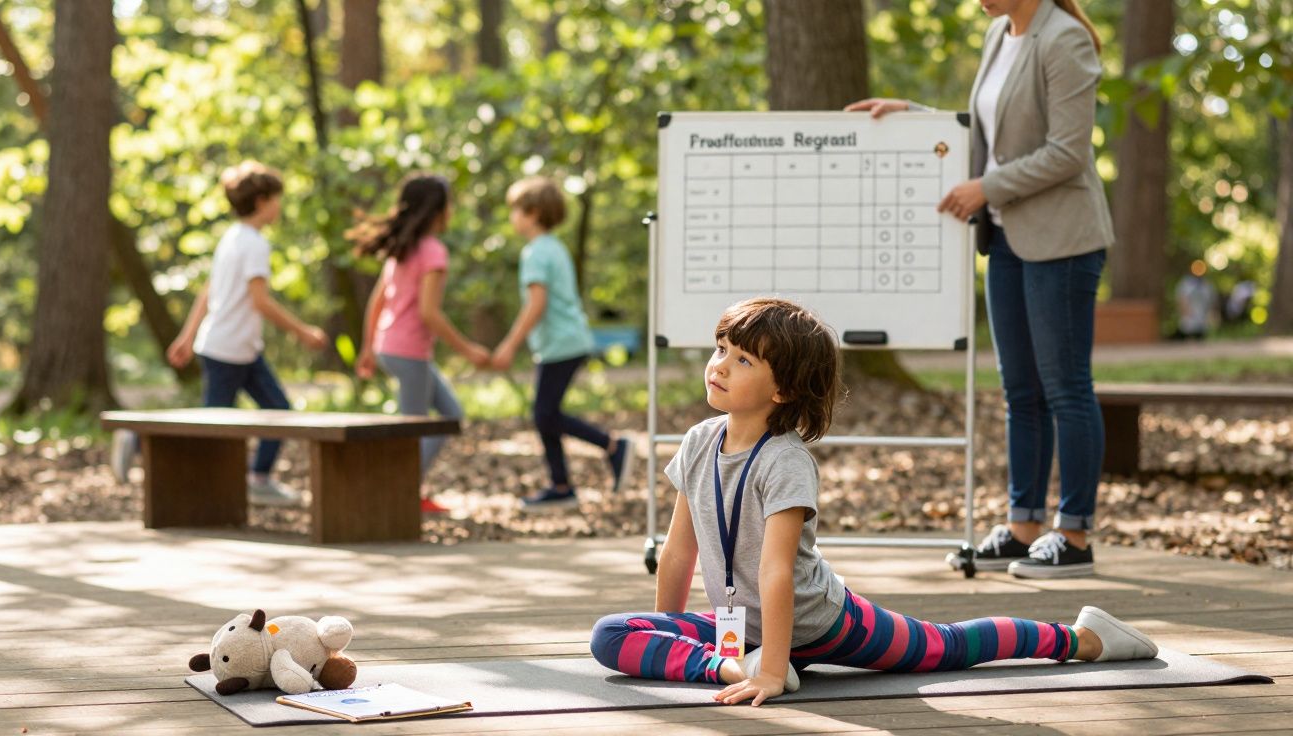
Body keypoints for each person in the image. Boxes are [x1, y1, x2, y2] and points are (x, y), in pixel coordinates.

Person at [589, 298, 1157, 705]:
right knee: (609, 635)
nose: (719, 364)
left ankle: (1082, 638)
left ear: (782, 389)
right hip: (744, 632)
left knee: (948, 648)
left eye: (743, 360)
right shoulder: (697, 442)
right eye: (721, 349)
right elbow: (678, 552)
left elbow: (778, 571)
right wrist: (671, 627)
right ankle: (732, 666)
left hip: (822, 620)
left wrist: (771, 673)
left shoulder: (785, 460)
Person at [847, 0, 1112, 578]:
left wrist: (985, 187)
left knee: (1065, 388)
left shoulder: (1063, 39)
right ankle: (1024, 527)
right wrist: (914, 114)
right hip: (1009, 238)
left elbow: (1068, 152)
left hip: (1062, 239)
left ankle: (1075, 534)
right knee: (1020, 391)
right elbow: (988, 136)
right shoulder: (1000, 34)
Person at [166, 160, 328, 506]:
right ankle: (139, 445)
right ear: (261, 202)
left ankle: (258, 478)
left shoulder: (231, 238)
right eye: (275, 200)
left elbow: (210, 290)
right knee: (215, 426)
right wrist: (303, 332)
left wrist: (188, 336)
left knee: (277, 411)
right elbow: (260, 301)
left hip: (238, 347)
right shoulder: (253, 243)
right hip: (229, 348)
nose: (279, 207)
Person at [488, 176, 632, 511]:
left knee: (545, 414)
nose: (513, 217)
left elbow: (536, 303)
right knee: (545, 414)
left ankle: (612, 446)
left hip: (561, 343)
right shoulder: (554, 247)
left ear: (533, 213)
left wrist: (509, 345)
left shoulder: (536, 253)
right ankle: (561, 484)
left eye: (516, 210)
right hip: (566, 341)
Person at [350, 174, 490, 515]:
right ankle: (398, 492)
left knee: (449, 415)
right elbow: (429, 313)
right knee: (412, 429)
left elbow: (377, 300)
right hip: (408, 351)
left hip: (390, 347)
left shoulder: (402, 247)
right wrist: (467, 348)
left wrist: (369, 347)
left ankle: (407, 488)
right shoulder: (431, 252)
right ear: (438, 210)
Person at [1173, 260, 1216, 340]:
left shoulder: (1207, 285)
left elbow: (1211, 301)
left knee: (1201, 338)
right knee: (1189, 337)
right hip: (1189, 318)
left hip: (1202, 319)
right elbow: (1181, 298)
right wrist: (1185, 311)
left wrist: (1211, 313)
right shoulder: (1186, 284)